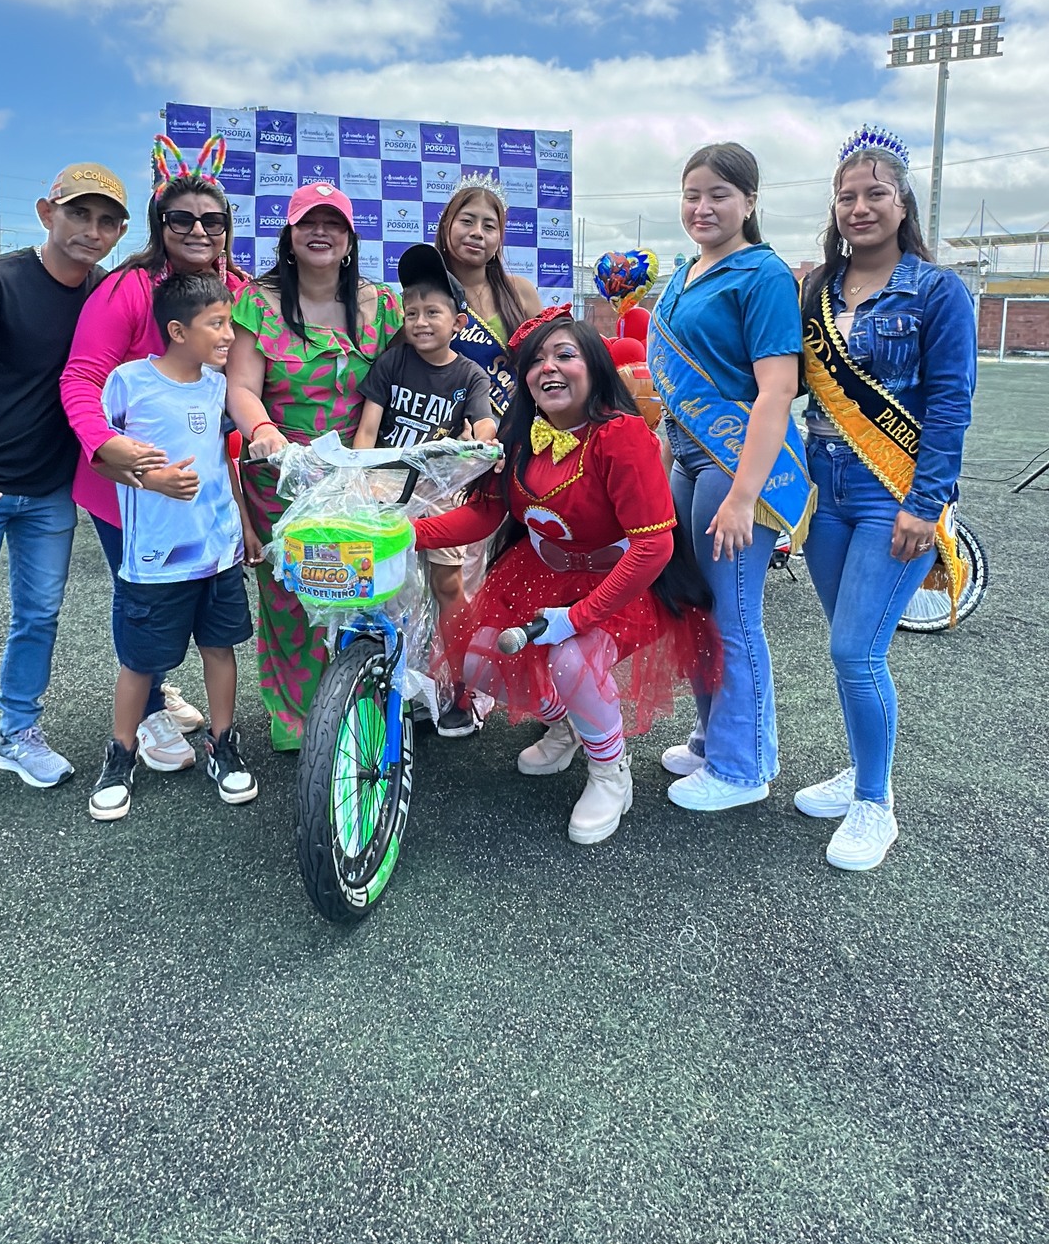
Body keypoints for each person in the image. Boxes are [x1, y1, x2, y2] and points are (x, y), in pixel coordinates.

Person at [412, 308, 719, 845]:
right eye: (536, 360)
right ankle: (567, 726)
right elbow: (485, 514)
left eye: (565, 354)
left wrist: (577, 618)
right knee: (480, 661)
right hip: (538, 574)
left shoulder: (622, 436)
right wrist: (407, 533)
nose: (548, 367)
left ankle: (610, 772)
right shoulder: (520, 436)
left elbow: (653, 546)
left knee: (572, 659)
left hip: (620, 583)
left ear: (594, 367)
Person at [0, 163, 130, 830]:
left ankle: (17, 735)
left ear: (120, 232)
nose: (91, 231)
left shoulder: (103, 294)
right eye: (78, 214)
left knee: (39, 618)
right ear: (46, 213)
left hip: (49, 492)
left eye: (106, 221)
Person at [796, 126, 976, 871]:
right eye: (847, 197)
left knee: (855, 649)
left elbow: (950, 405)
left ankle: (876, 801)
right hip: (823, 487)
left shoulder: (938, 291)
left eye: (876, 194)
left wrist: (924, 503)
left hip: (891, 493)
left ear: (903, 204)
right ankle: (861, 769)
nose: (860, 208)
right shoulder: (816, 289)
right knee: (850, 648)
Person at [61, 136, 251, 775]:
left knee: (209, 613)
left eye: (212, 220)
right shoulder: (128, 287)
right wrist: (109, 447)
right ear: (158, 223)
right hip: (127, 487)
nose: (198, 230)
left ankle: (171, 705)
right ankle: (144, 715)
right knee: (145, 603)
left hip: (209, 487)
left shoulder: (239, 290)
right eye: (181, 218)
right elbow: (82, 377)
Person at [647, 142, 808, 814]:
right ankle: (713, 738)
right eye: (692, 194)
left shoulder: (763, 274)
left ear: (750, 201)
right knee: (694, 607)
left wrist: (744, 496)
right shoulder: (684, 273)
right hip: (686, 459)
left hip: (733, 463)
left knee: (734, 615)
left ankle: (744, 767)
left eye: (719, 194)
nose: (703, 207)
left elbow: (777, 390)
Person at [224, 182, 403, 751]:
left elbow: (412, 377)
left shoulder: (384, 305)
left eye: (333, 223)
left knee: (363, 594)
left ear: (349, 239)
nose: (320, 232)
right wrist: (263, 430)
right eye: (308, 222)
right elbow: (241, 387)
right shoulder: (258, 302)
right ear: (290, 234)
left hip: (359, 476)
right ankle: (300, 724)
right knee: (291, 600)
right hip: (281, 476)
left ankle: (363, 708)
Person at [88, 273, 257, 821]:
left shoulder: (218, 387)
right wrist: (151, 479)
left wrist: (246, 526)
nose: (229, 335)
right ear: (178, 331)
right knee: (140, 662)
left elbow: (225, 460)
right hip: (155, 560)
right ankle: (120, 755)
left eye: (230, 322)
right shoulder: (127, 382)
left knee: (220, 648)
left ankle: (223, 745)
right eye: (217, 324)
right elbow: (99, 456)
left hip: (220, 554)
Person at [352, 243, 497, 738]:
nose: (419, 322)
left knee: (447, 586)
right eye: (411, 313)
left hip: (440, 492)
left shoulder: (469, 374)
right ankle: (397, 682)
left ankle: (461, 684)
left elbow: (483, 424)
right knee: (388, 592)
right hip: (387, 488)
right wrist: (361, 481)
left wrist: (481, 441)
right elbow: (367, 431)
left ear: (458, 322)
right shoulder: (392, 363)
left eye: (432, 312)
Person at [434, 177, 542, 419]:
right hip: (448, 428)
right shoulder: (424, 295)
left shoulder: (521, 292)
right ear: (446, 225)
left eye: (489, 226)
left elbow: (545, 361)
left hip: (514, 426)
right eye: (467, 221)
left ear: (500, 237)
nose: (477, 233)